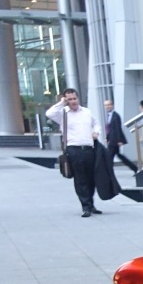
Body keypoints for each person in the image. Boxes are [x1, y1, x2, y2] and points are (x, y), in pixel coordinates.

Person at [45, 88, 102, 217]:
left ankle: (91, 204)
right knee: (80, 178)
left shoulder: (86, 112)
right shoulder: (63, 113)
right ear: (66, 100)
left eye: (74, 98)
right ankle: (85, 206)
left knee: (91, 178)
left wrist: (96, 132)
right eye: (69, 99)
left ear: (78, 98)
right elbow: (49, 113)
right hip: (74, 149)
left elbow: (96, 123)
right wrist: (61, 103)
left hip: (89, 148)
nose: (73, 101)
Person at [102, 99, 137, 173]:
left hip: (114, 141)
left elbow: (118, 128)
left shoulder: (115, 116)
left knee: (109, 157)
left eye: (108, 105)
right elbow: (110, 129)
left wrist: (119, 140)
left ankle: (109, 172)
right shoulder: (109, 116)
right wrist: (107, 138)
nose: (107, 106)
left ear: (112, 105)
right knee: (119, 156)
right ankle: (134, 167)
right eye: (106, 105)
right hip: (112, 139)